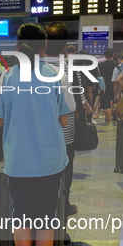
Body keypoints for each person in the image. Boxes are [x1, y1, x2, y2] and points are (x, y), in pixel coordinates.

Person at [0, 23, 71, 246]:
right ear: (44, 46)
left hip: (19, 159)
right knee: (46, 218)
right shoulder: (55, 75)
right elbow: (64, 118)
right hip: (50, 160)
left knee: (22, 217)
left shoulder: (8, 77)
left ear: (18, 46)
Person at [43, 23, 78, 217]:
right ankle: (64, 204)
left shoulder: (35, 68)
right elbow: (78, 100)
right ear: (65, 46)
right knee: (66, 170)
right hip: (66, 133)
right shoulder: (70, 69)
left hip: (41, 131)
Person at [97, 48, 118, 126]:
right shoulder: (117, 64)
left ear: (105, 55)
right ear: (113, 54)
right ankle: (116, 118)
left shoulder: (100, 65)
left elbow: (99, 77)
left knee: (106, 104)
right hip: (115, 86)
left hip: (105, 86)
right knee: (116, 103)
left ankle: (109, 121)